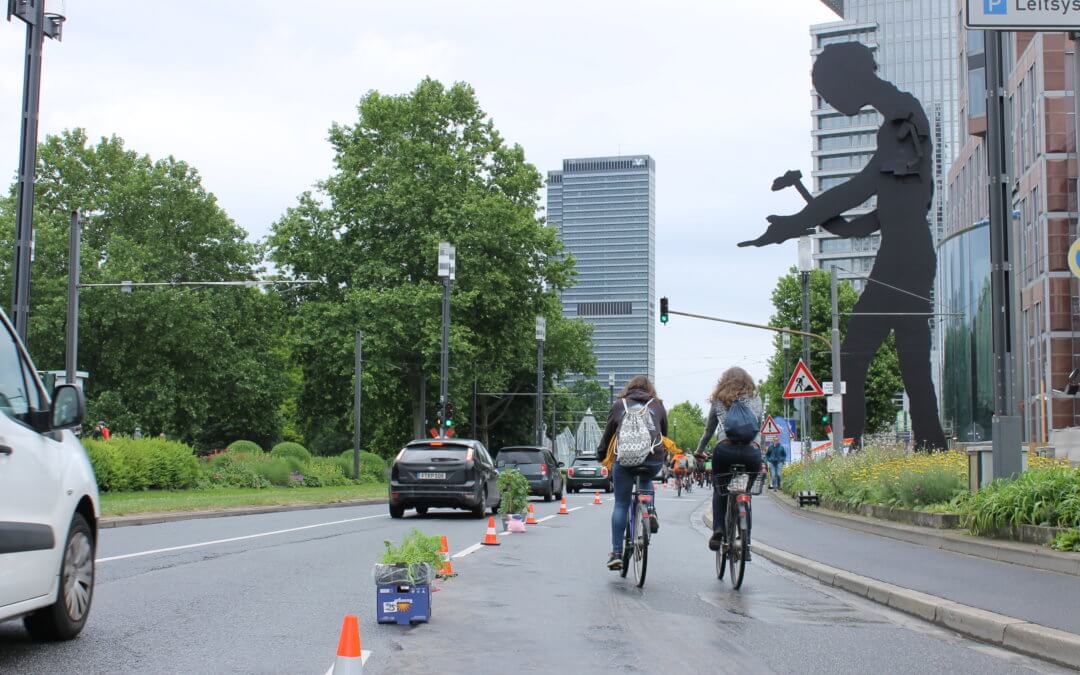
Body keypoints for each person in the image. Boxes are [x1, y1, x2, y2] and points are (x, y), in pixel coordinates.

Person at [739, 41, 946, 451]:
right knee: (895, 359)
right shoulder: (898, 124)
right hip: (904, 253)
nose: (832, 103)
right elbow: (853, 225)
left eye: (831, 93)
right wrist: (803, 212)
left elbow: (858, 189)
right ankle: (923, 446)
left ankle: (861, 446)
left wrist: (796, 222)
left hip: (904, 258)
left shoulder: (902, 120)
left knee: (863, 356)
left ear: (850, 79)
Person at [597, 375, 668, 571]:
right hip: (652, 458)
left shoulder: (620, 404)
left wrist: (601, 453)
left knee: (621, 504)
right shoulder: (658, 405)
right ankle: (649, 510)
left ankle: (617, 553)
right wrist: (664, 456)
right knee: (646, 479)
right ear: (650, 389)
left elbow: (609, 433)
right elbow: (664, 434)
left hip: (626, 459)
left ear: (629, 388)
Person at [696, 367, 763, 552]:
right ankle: (745, 543)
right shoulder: (755, 396)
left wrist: (699, 451)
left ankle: (718, 529)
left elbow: (709, 430)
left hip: (724, 450)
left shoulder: (720, 397)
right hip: (751, 453)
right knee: (745, 495)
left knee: (720, 490)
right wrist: (758, 448)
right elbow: (759, 425)